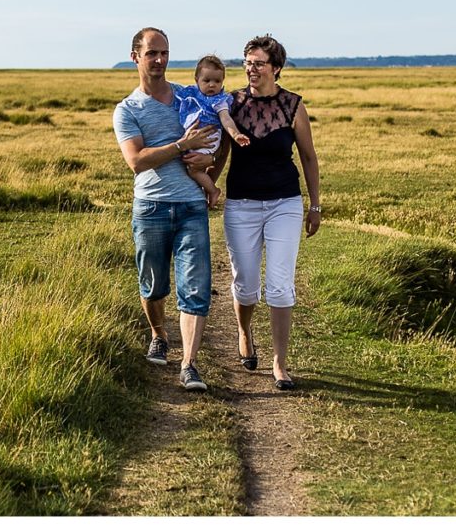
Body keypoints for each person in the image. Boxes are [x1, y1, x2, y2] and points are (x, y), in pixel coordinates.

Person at [211, 34, 320, 391]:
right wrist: (207, 184)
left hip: (284, 203)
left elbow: (307, 157)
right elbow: (222, 153)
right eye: (247, 62)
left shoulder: (293, 105)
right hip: (241, 204)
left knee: (279, 284)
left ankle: (280, 363)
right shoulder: (232, 103)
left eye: (258, 63)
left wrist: (314, 205)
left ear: (276, 68)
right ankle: (244, 332)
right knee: (245, 284)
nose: (251, 69)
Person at [113, 27, 220, 392]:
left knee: (195, 287)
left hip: (191, 205)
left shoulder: (190, 97)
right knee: (153, 284)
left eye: (164, 53)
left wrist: (210, 168)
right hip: (151, 207)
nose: (159, 60)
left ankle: (189, 364)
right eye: (151, 54)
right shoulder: (127, 110)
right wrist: (181, 145)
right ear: (136, 58)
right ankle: (159, 334)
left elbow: (216, 132)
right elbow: (137, 161)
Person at [176, 54, 250, 208]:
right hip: (195, 136)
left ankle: (212, 190)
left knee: (193, 169)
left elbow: (226, 119)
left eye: (217, 81)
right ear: (196, 79)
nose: (212, 85)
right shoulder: (192, 93)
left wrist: (236, 135)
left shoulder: (219, 101)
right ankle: (203, 192)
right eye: (207, 80)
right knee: (194, 167)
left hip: (210, 138)